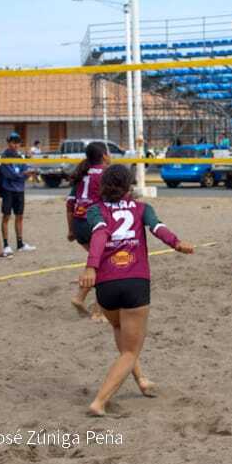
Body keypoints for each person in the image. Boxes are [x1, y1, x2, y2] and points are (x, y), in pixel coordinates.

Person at [78, 164, 194, 416]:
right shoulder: (142, 209)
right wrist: (177, 243)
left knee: (120, 329)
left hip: (106, 284)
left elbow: (99, 235)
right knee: (131, 350)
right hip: (134, 281)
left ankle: (141, 380)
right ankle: (99, 402)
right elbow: (158, 228)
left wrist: (91, 267)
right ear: (128, 186)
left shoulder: (95, 210)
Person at [67, 142, 111, 318]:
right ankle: (98, 309)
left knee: (98, 261)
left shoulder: (82, 173)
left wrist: (71, 230)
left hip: (79, 224)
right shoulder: (106, 174)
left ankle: (81, 298)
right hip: (94, 223)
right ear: (104, 156)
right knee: (105, 263)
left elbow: (69, 205)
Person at [0, 133, 36, 255]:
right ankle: (6, 245)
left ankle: (20, 244)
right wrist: (23, 175)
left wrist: (25, 174)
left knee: (19, 216)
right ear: (9, 143)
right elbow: (10, 174)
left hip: (19, 190)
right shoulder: (4, 156)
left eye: (17, 143)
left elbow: (25, 171)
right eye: (13, 142)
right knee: (6, 216)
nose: (15, 145)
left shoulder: (19, 156)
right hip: (8, 190)